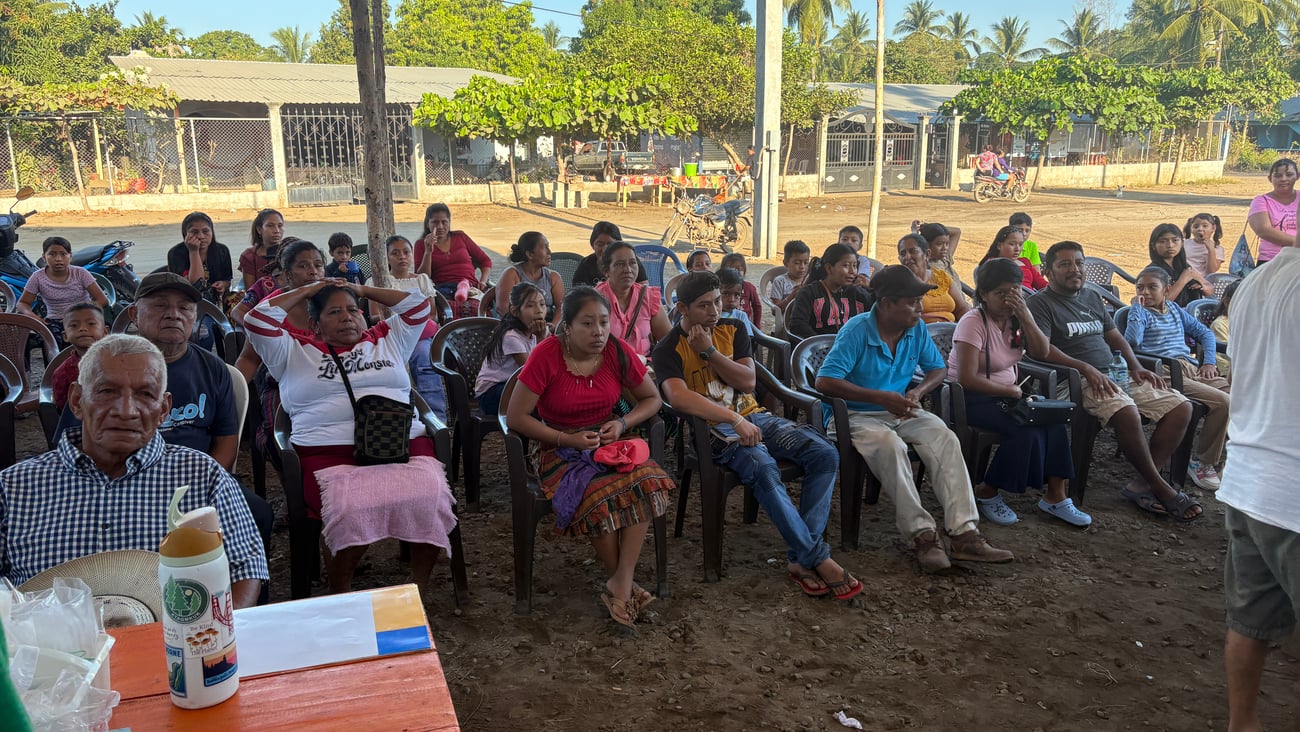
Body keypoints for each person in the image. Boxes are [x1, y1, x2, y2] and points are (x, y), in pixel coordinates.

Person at [0, 335, 267, 607]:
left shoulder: (202, 475)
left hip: (175, 645)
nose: (126, 411)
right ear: (77, 400)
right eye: (106, 391)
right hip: (45, 647)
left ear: (163, 409)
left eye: (145, 394)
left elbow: (245, 569)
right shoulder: (13, 487)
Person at [654, 272, 861, 601]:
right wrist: (733, 418)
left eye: (717, 302)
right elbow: (678, 398)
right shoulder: (668, 348)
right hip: (713, 431)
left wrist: (709, 352)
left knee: (825, 454)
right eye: (703, 305)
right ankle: (817, 557)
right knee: (763, 466)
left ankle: (802, 559)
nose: (713, 311)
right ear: (682, 308)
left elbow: (748, 382)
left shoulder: (733, 329)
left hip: (758, 418)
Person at [246, 280, 455, 595]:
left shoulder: (388, 338)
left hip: (400, 445)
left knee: (429, 495)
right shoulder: (292, 350)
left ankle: (417, 589)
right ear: (315, 324)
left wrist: (363, 291)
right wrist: (308, 290)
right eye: (334, 312)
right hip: (328, 455)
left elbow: (418, 306)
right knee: (349, 507)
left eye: (353, 311)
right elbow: (257, 320)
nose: (347, 317)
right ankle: (341, 591)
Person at [815, 265, 1014, 572]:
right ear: (886, 303)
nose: (920, 309)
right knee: (890, 446)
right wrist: (880, 397)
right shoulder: (856, 330)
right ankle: (922, 536)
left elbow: (937, 370)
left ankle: (964, 535)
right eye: (911, 302)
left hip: (902, 409)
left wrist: (918, 391)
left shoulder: (915, 328)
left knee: (945, 437)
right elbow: (825, 381)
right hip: (856, 415)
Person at [507, 287, 675, 631]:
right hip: (557, 447)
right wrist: (567, 438)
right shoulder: (547, 354)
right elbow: (516, 417)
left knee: (649, 484)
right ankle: (622, 584)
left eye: (603, 322)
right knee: (598, 496)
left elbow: (652, 399)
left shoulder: (615, 350)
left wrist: (622, 422)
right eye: (587, 323)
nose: (599, 331)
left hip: (607, 440)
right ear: (567, 327)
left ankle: (620, 582)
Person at [1026, 241, 1202, 523]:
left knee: (1181, 406)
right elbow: (1041, 350)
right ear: (1047, 271)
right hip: (1073, 380)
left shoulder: (1092, 297)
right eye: (1065, 264)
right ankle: (1160, 487)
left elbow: (1114, 337)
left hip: (1113, 373)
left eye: (1079, 263)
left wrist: (1136, 367)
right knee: (1126, 410)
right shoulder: (1040, 304)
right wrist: (1085, 367)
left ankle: (1142, 483)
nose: (1075, 269)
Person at [1214, 234, 1300, 731]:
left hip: (1249, 479)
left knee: (1250, 620)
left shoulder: (1255, 282)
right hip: (1292, 492)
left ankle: (1242, 723)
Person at [951, 259, 1086, 527]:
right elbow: (965, 378)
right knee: (1026, 427)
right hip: (969, 397)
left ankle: (1055, 496)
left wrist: (1025, 314)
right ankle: (987, 491)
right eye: (999, 293)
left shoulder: (1016, 319)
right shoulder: (973, 322)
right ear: (984, 295)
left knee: (1053, 420)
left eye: (1013, 291)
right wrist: (1009, 390)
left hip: (1007, 395)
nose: (1007, 299)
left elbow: (1042, 351)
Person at [1125, 266, 1230, 490]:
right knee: (1223, 402)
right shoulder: (1141, 313)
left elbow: (1205, 334)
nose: (1145, 292)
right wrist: (1136, 310)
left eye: (1152, 287)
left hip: (1190, 368)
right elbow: (1131, 342)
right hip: (1165, 372)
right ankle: (1202, 462)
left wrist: (1209, 361)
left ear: (1167, 289)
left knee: (1236, 395)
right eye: (1140, 288)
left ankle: (1223, 458)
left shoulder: (1174, 309)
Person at [366, 235, 445, 420]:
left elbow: (431, 314)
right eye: (395, 253)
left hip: (419, 336)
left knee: (425, 358)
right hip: (391, 338)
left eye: (406, 252)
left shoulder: (421, 280)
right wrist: (402, 321)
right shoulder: (376, 282)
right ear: (386, 258)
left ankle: (436, 418)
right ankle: (399, 417)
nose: (402, 256)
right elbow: (374, 316)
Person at [17, 236, 109, 346]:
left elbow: (102, 300)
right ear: (44, 257)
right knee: (49, 341)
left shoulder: (80, 273)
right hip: (55, 321)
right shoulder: (37, 277)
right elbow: (22, 303)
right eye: (52, 254)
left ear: (70, 256)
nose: (58, 259)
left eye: (63, 254)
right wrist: (35, 318)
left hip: (82, 317)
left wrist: (80, 313)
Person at [475, 282, 547, 416]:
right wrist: (541, 339)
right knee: (544, 405)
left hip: (515, 386)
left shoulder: (541, 331)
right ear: (515, 311)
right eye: (530, 305)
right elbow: (532, 372)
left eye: (542, 304)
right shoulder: (511, 336)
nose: (539, 310)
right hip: (492, 393)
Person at [595, 241, 671, 359]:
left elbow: (669, 341)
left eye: (632, 263)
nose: (628, 269)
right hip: (607, 368)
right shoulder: (595, 299)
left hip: (645, 367)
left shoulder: (647, 296)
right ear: (606, 270)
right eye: (619, 264)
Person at [785, 243, 874, 342]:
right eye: (846, 265)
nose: (852, 271)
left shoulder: (857, 292)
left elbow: (879, 315)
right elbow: (797, 325)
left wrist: (873, 289)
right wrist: (824, 345)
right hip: (819, 351)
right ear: (829, 268)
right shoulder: (809, 293)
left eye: (855, 266)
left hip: (852, 349)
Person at [413, 203, 493, 299]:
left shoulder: (460, 237)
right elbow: (422, 277)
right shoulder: (421, 244)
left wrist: (483, 281)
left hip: (470, 287)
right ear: (427, 223)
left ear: (449, 222)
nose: (440, 226)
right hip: (441, 291)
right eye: (435, 222)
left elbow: (485, 261)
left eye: (444, 222)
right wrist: (428, 252)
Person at [496, 231, 564, 324]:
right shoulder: (512, 274)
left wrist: (552, 327)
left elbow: (561, 307)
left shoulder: (553, 277)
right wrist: (526, 330)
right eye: (545, 247)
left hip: (547, 327)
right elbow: (503, 308)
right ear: (530, 254)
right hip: (518, 328)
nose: (549, 252)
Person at [898, 233, 968, 324]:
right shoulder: (899, 282)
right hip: (920, 334)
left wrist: (965, 327)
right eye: (903, 254)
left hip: (951, 332)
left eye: (913, 251)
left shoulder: (941, 277)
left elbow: (962, 308)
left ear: (927, 254)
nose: (907, 257)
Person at [166, 211, 233, 305]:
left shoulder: (222, 251)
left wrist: (222, 285)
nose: (201, 236)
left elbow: (227, 280)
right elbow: (195, 284)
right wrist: (194, 252)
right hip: (187, 301)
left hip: (216, 302)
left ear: (212, 232)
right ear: (186, 234)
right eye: (194, 232)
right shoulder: (176, 253)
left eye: (206, 231)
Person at [49, 303, 106, 413]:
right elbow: (63, 408)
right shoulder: (63, 372)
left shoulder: (118, 363)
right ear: (65, 336)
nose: (83, 329)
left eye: (91, 324)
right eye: (74, 325)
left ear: (105, 332)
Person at [1246, 158, 1297, 265]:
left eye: (1289, 174)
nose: (1283, 179)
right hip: (1271, 261)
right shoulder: (1261, 201)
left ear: (1297, 176)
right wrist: (1296, 241)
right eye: (1278, 176)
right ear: (1270, 178)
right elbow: (1264, 230)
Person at [1147, 223, 1208, 307]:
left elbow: (1210, 288)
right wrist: (1182, 280)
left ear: (1182, 243)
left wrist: (1202, 286)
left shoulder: (1184, 266)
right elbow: (1160, 304)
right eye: (1163, 241)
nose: (1170, 245)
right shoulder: (1152, 272)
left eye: (1175, 240)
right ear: (1153, 246)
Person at [572, 222, 647, 288]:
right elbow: (577, 291)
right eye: (600, 244)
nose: (605, 249)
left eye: (610, 244)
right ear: (592, 245)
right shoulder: (586, 263)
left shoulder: (630, 262)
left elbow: (643, 289)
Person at [979, 226, 1047, 290]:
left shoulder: (1025, 262)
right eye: (1012, 244)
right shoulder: (992, 265)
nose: (1017, 249)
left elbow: (1042, 284)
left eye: (1020, 244)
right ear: (999, 245)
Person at [238, 208, 284, 289]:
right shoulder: (249, 256)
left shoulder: (292, 251)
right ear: (259, 229)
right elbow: (251, 292)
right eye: (270, 226)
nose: (277, 230)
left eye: (280, 226)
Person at [916, 221, 965, 288]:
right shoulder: (926, 267)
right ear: (927, 245)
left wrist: (929, 228)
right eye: (939, 244)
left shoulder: (943, 259)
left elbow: (957, 232)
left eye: (947, 243)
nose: (945, 248)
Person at [718, 252, 761, 326]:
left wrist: (756, 326)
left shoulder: (749, 287)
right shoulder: (713, 317)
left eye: (739, 269)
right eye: (726, 293)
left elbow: (757, 306)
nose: (731, 299)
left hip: (746, 323)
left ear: (744, 271)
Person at [770, 240, 810, 312]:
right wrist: (792, 296)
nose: (802, 267)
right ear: (786, 263)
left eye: (806, 263)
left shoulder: (810, 280)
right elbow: (775, 311)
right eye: (797, 263)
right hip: (788, 321)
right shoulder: (780, 281)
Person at [1182, 213, 1224, 277]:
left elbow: (1211, 271)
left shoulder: (1218, 249)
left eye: (1205, 226)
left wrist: (1211, 250)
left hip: (1202, 283)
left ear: (1213, 228)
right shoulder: (1183, 244)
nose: (1200, 229)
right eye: (1196, 226)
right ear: (1191, 229)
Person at [1210, 280, 1238, 379]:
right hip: (1231, 374)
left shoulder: (1251, 322)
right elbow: (1224, 360)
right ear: (1227, 302)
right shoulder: (1220, 325)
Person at [717, 267, 756, 336]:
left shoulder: (740, 316)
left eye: (737, 294)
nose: (731, 299)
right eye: (726, 293)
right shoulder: (711, 316)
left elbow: (747, 341)